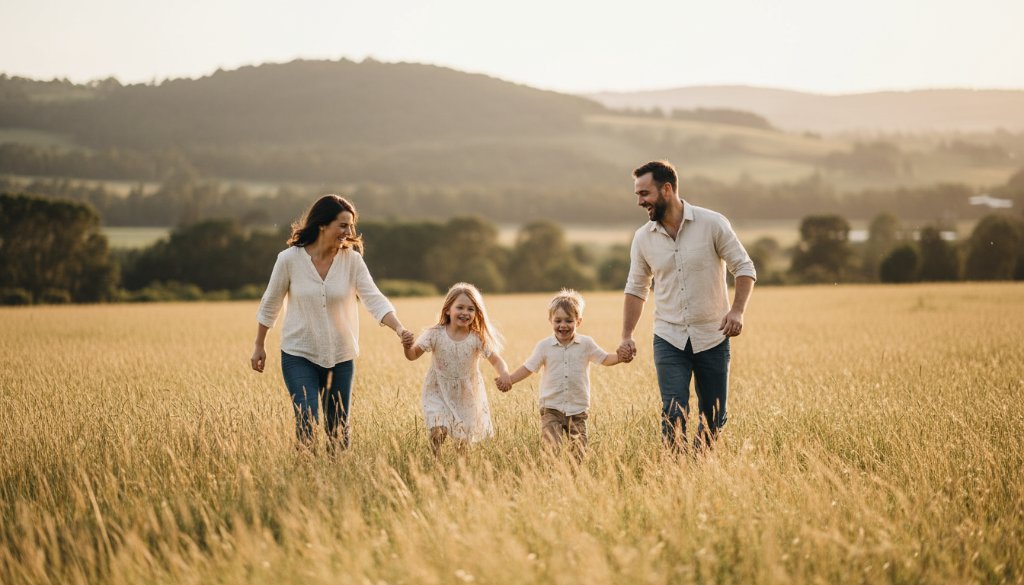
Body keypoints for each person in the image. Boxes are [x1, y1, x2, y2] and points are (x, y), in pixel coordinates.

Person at [250, 194, 413, 453]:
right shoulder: (289, 260)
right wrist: (259, 345)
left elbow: (374, 299)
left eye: (351, 226)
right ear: (322, 225)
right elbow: (271, 302)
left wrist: (400, 328)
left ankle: (336, 476)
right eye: (343, 225)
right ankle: (307, 476)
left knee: (337, 427)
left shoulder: (352, 261)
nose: (349, 232)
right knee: (307, 417)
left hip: (341, 355)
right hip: (298, 354)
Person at [618, 160, 756, 452]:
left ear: (667, 189)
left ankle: (699, 464)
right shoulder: (643, 238)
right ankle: (675, 471)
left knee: (714, 416)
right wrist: (627, 335)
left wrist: (737, 310)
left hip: (713, 336)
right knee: (673, 411)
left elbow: (744, 267)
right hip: (668, 338)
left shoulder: (712, 224)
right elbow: (636, 288)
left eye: (645, 194)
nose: (641, 202)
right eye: (638, 195)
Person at [497, 289, 624, 459]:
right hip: (552, 408)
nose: (563, 325)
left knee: (579, 452)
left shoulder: (586, 344)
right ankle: (552, 477)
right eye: (558, 320)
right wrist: (509, 380)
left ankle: (573, 479)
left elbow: (605, 359)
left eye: (568, 320)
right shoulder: (544, 346)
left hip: (577, 409)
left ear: (578, 322)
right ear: (550, 320)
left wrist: (621, 357)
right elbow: (528, 367)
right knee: (551, 448)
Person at [403, 282, 510, 454]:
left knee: (463, 444)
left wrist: (504, 374)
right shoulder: (435, 334)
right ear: (447, 309)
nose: (465, 313)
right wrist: (407, 346)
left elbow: (497, 360)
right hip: (438, 390)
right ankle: (434, 461)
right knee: (439, 430)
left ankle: (461, 472)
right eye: (460, 307)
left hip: (466, 395)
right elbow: (413, 355)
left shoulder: (477, 338)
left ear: (476, 314)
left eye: (471, 309)